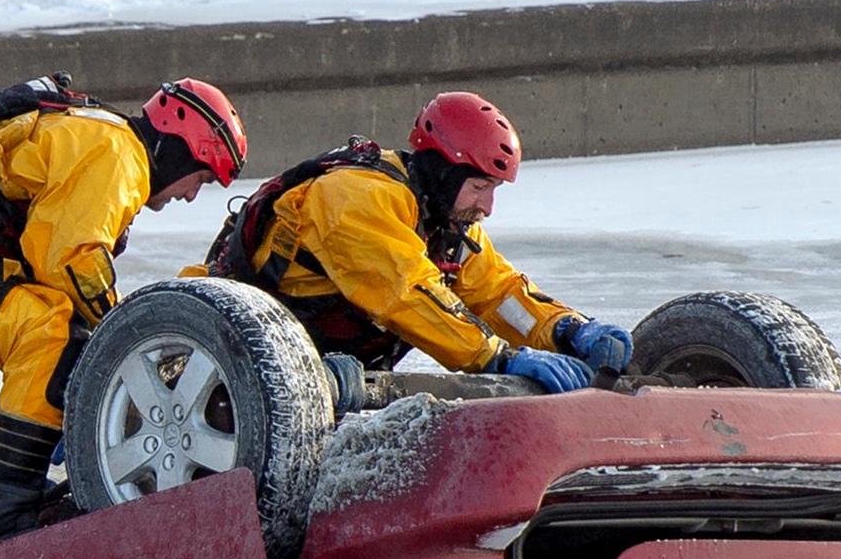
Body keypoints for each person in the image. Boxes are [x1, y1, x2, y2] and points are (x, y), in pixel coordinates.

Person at [0, 77, 247, 557]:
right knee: (51, 332)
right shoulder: (118, 152)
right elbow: (69, 259)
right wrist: (120, 342)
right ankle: (4, 530)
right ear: (185, 150)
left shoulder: (93, 135)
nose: (190, 196)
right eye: (201, 178)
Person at [202, 90, 628, 390]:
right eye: (481, 187)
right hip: (223, 353)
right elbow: (405, 292)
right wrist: (496, 356)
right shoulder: (357, 197)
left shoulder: (446, 222)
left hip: (312, 362)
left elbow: (497, 294)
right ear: (446, 171)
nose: (488, 207)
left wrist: (567, 331)